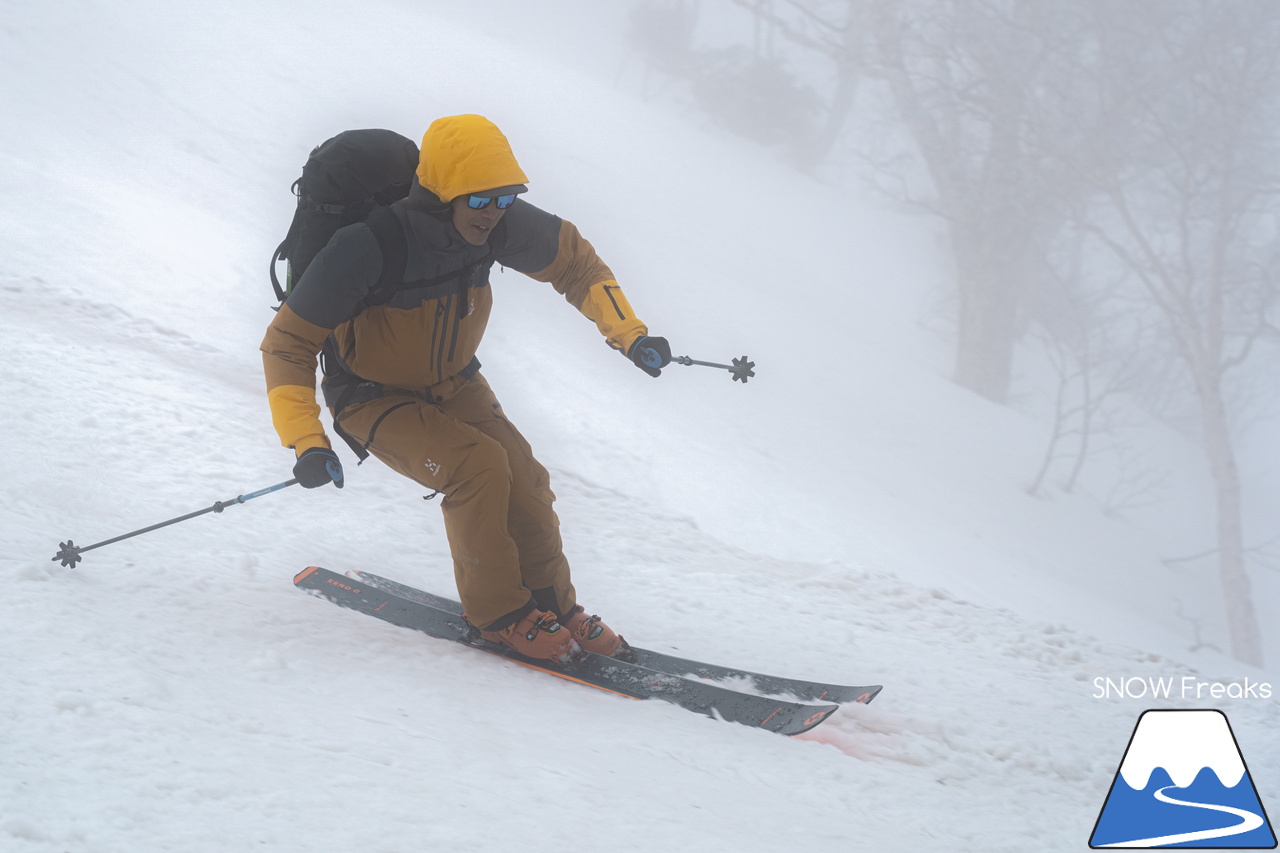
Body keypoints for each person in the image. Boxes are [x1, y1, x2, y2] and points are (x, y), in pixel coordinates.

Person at [261, 114, 671, 664]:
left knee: (523, 473)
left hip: (453, 382)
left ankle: (554, 605)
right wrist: (306, 440)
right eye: (480, 201)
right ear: (443, 193)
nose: (494, 212)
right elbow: (286, 343)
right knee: (478, 467)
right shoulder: (368, 246)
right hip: (371, 394)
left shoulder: (494, 222)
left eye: (505, 198)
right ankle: (500, 616)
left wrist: (629, 333)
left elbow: (576, 264)